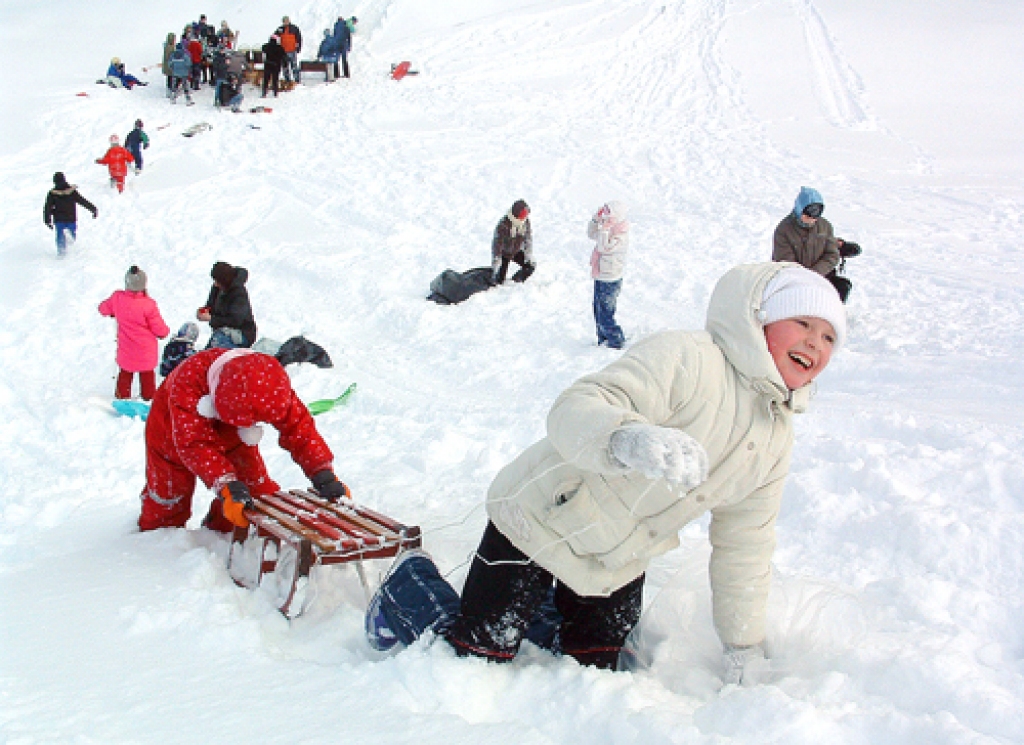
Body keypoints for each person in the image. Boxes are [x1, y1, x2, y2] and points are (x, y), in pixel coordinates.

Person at [365, 262, 846, 683]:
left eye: (829, 337)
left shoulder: (774, 438)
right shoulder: (691, 358)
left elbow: (746, 543)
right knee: (478, 660)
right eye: (802, 322)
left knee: (597, 670)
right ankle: (408, 586)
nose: (814, 342)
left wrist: (743, 645)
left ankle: (544, 609)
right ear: (758, 318)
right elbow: (575, 407)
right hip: (539, 521)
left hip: (617, 558)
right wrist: (624, 437)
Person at [136, 347, 351, 532]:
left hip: (234, 431)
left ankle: (221, 530)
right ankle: (159, 543)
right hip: (169, 431)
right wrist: (224, 483)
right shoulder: (188, 381)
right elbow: (195, 444)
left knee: (255, 493)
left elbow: (300, 429)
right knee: (168, 496)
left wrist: (322, 472)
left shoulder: (272, 386)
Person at [772, 187, 861, 303]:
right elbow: (785, 262)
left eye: (815, 216)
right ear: (800, 209)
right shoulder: (784, 230)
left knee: (842, 286)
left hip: (821, 276)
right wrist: (805, 277)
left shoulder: (825, 226)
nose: (811, 219)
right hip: (794, 281)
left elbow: (832, 255)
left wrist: (815, 274)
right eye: (807, 215)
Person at [98, 266, 171, 401]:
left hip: (126, 347)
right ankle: (149, 398)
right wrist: (164, 332)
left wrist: (114, 311)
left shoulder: (117, 298)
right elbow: (159, 328)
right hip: (145, 349)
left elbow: (103, 309)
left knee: (125, 373)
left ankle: (122, 396)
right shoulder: (148, 305)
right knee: (147, 375)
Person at [588, 201, 629, 349]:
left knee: (606, 313)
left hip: (610, 279)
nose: (604, 216)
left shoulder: (620, 235)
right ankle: (603, 339)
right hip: (601, 275)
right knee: (597, 309)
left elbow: (603, 247)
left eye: (608, 213)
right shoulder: (608, 228)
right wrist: (596, 220)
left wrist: (604, 230)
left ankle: (616, 341)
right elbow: (591, 234)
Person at [197, 262, 257, 349]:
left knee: (218, 344)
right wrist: (204, 311)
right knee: (212, 347)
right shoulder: (218, 288)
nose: (215, 284)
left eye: (217, 281)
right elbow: (211, 305)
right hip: (221, 332)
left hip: (242, 333)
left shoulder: (239, 294)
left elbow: (235, 320)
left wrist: (211, 319)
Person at [44, 172, 97, 258]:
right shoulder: (71, 192)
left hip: (59, 219)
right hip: (71, 217)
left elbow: (48, 207)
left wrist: (47, 220)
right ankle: (71, 247)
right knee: (71, 235)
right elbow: (82, 201)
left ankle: (61, 253)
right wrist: (93, 209)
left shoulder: (53, 193)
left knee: (60, 236)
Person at [491, 199, 535, 284]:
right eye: (523, 214)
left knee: (530, 265)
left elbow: (528, 239)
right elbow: (497, 243)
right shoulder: (504, 224)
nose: (524, 217)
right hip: (504, 254)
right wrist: (497, 259)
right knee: (499, 280)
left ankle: (515, 282)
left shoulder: (525, 223)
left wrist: (528, 254)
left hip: (516, 251)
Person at [275, 16, 303, 84]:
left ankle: (297, 80)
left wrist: (298, 48)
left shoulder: (294, 28)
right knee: (285, 67)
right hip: (283, 52)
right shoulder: (280, 29)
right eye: (284, 21)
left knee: (294, 66)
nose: (285, 22)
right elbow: (274, 37)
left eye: (287, 20)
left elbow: (299, 39)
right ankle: (287, 80)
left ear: (289, 21)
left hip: (292, 50)